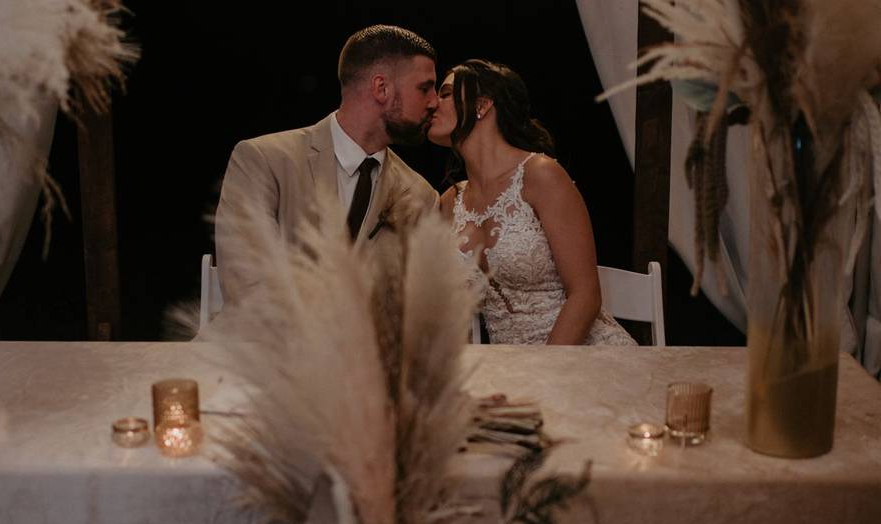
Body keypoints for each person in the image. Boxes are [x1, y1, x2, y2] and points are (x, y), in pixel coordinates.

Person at [213, 25, 441, 311]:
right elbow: (246, 281)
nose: (434, 102)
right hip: (263, 350)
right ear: (381, 88)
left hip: (368, 355)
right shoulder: (263, 160)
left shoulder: (421, 196)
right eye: (425, 88)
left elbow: (417, 307)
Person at [427, 59, 635, 346]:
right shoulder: (451, 202)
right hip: (512, 369)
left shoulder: (540, 174)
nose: (432, 104)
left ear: (482, 105)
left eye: (446, 93)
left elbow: (585, 295)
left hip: (578, 355)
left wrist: (543, 371)